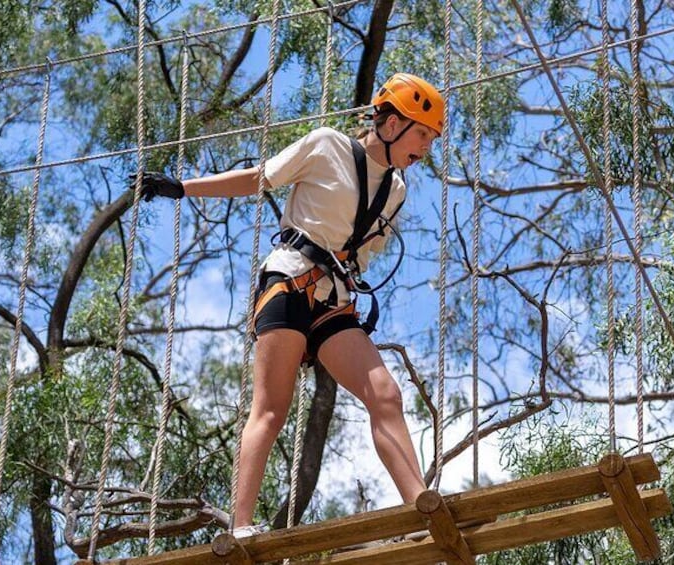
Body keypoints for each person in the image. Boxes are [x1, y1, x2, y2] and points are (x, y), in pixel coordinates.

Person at [137, 73, 444, 537]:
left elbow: (359, 253)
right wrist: (184, 188)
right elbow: (259, 179)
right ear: (390, 122)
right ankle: (240, 527)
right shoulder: (327, 145)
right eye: (422, 133)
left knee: (385, 395)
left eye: (431, 138)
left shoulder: (396, 191)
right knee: (271, 409)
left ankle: (421, 508)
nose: (426, 146)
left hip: (333, 300)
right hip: (288, 282)